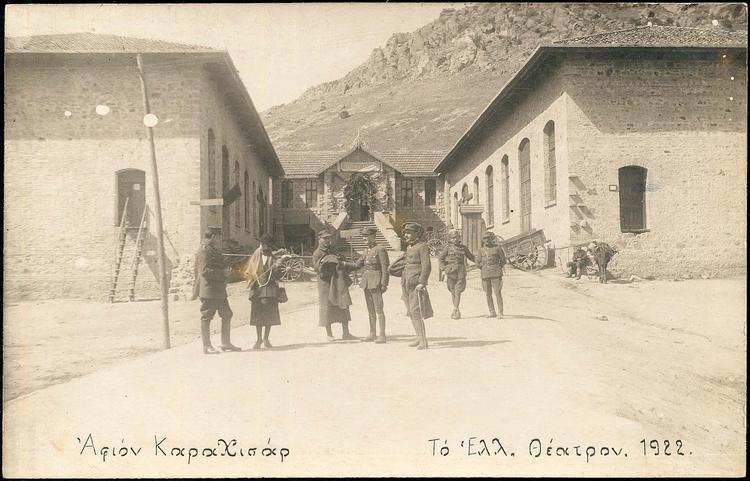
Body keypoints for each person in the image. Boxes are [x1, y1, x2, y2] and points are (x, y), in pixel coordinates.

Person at [192, 226, 241, 354]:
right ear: (213, 236)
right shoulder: (204, 250)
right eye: (219, 237)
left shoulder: (213, 249)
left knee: (227, 314)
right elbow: (204, 271)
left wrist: (226, 268)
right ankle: (207, 346)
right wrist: (222, 273)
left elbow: (216, 265)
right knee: (207, 317)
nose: (220, 239)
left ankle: (226, 343)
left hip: (218, 290)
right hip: (209, 290)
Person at [312, 230, 359, 342]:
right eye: (324, 238)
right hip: (326, 284)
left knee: (343, 305)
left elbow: (341, 260)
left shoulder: (333, 249)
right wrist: (325, 262)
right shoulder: (317, 253)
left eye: (328, 238)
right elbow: (316, 268)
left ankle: (346, 333)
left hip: (338, 281)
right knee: (327, 307)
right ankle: (329, 334)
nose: (327, 240)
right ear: (319, 239)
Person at [247, 234, 284, 349]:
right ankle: (258, 339)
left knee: (269, 314)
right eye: (262, 244)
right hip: (257, 289)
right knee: (257, 314)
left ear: (269, 246)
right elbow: (249, 271)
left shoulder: (274, 258)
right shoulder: (255, 256)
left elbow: (278, 275)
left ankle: (266, 338)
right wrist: (251, 278)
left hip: (270, 289)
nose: (263, 246)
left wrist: (277, 267)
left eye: (265, 244)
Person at [400, 222, 432, 350]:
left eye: (409, 233)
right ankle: (418, 337)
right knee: (410, 311)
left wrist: (422, 282)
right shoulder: (409, 247)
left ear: (416, 234)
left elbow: (426, 266)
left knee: (416, 311)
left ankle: (423, 340)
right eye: (405, 233)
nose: (406, 235)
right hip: (406, 282)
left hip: (416, 284)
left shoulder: (422, 247)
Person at [355, 226, 389, 343]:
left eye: (366, 235)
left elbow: (385, 268)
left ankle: (382, 335)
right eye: (363, 236)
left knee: (379, 309)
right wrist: (343, 264)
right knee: (370, 309)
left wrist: (384, 284)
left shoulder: (380, 249)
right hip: (367, 282)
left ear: (373, 236)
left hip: (376, 282)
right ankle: (372, 333)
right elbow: (357, 265)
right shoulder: (366, 251)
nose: (364, 238)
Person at [438, 229, 475, 319]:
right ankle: (456, 308)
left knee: (458, 291)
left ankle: (455, 310)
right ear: (450, 239)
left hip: (460, 272)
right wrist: (443, 269)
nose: (454, 239)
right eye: (452, 238)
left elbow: (471, 257)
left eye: (456, 237)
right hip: (450, 272)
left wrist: (481, 261)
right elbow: (441, 259)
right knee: (452, 291)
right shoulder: (447, 248)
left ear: (459, 237)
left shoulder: (463, 248)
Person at [476, 231, 507, 318]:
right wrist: (484, 268)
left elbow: (503, 260)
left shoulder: (498, 248)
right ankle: (492, 311)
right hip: (485, 274)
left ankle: (500, 312)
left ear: (491, 239)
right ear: (483, 240)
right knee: (488, 293)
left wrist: (497, 267)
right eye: (485, 238)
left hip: (496, 273)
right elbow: (477, 263)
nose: (487, 240)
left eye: (488, 238)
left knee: (497, 292)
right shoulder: (481, 250)